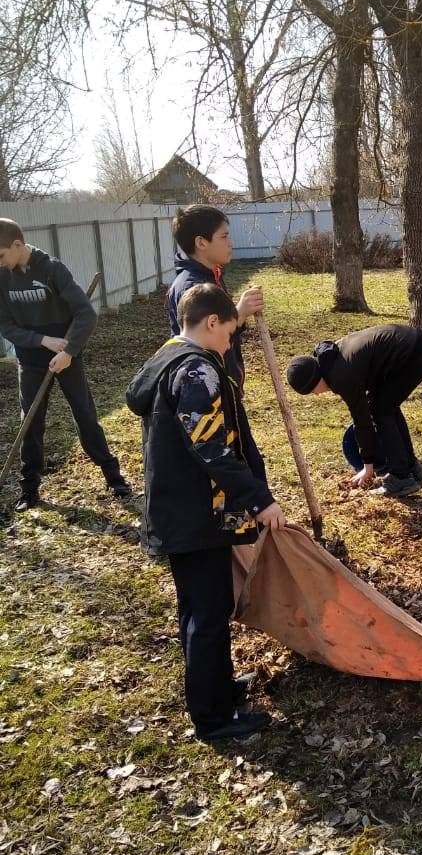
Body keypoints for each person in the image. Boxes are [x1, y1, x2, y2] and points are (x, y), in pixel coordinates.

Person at [126, 283, 286, 741]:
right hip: (196, 515)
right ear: (212, 322)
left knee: (197, 609)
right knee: (208, 615)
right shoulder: (197, 372)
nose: (230, 343)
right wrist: (259, 500)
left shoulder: (168, 354)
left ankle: (214, 688)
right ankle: (214, 718)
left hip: (178, 508)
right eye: (230, 333)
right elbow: (212, 450)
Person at [0, 217, 131, 512]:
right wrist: (41, 340)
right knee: (31, 422)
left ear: (18, 245)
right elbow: (5, 325)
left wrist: (69, 351)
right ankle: (29, 488)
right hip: (31, 359)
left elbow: (86, 315)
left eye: (1, 255)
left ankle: (113, 476)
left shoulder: (52, 270)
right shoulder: (2, 277)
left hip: (67, 357)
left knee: (84, 416)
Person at [166, 202, 266, 480]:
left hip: (222, 385)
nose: (231, 243)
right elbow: (206, 342)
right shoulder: (193, 287)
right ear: (201, 242)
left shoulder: (209, 277)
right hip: (210, 393)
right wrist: (240, 313)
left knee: (246, 463)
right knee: (240, 467)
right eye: (224, 236)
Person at [286, 324, 422, 498]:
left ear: (314, 381)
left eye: (312, 391)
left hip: (414, 353)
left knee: (381, 411)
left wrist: (368, 466)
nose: (317, 395)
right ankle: (410, 465)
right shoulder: (330, 358)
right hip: (414, 344)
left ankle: (401, 478)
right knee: (385, 405)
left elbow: (362, 420)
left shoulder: (341, 376)